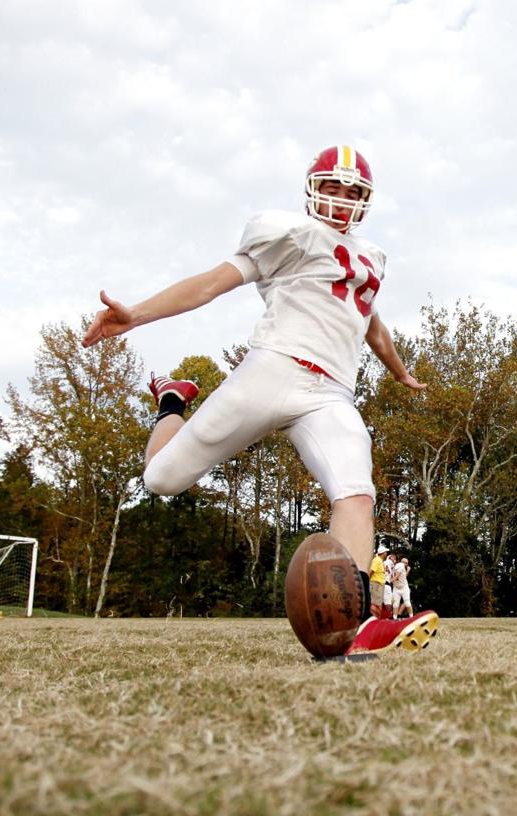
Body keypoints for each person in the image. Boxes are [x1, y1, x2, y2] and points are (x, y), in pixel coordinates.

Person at [82, 144, 438, 655]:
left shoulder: (372, 257)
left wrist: (401, 373)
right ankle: (171, 403)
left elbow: (372, 326)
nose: (341, 199)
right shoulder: (288, 234)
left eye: (352, 190)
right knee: (161, 479)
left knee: (357, 492)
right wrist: (135, 315)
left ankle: (357, 625)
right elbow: (211, 283)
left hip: (331, 394)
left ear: (366, 199)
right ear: (313, 190)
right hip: (273, 369)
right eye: (332, 187)